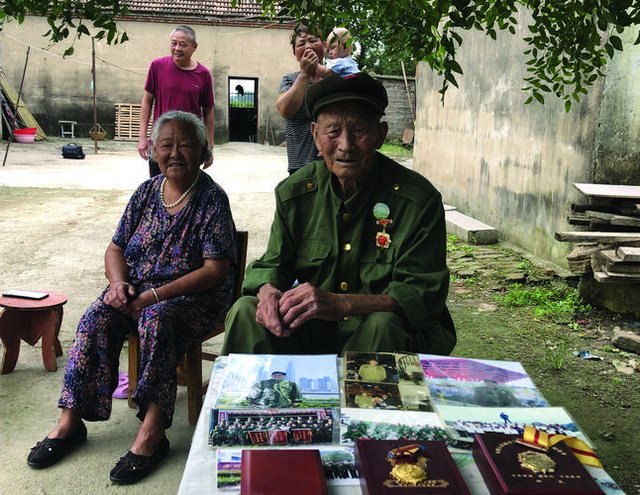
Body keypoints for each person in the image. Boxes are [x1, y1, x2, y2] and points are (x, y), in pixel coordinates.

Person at [27, 111, 237, 485]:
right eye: (166, 145)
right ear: (153, 150)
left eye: (185, 144)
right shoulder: (145, 193)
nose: (175, 153)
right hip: (139, 290)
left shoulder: (211, 199)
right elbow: (115, 248)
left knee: (158, 319)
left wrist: (155, 295)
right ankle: (71, 422)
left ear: (203, 151)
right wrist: (117, 284)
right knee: (97, 316)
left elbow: (214, 271)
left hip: (193, 296)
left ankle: (153, 433)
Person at [221, 72, 456, 356]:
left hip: (389, 335)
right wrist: (268, 292)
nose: (345, 145)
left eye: (359, 131)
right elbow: (273, 264)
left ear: (380, 135)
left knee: (382, 325)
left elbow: (420, 294)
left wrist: (342, 303)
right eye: (333, 131)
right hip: (318, 333)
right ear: (316, 137)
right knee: (247, 310)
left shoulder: (417, 201)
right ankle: (250, 399)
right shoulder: (296, 193)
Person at [138, 26, 215, 177]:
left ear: (194, 47)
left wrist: (209, 145)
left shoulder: (203, 74)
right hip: (161, 143)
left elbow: (208, 111)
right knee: (158, 189)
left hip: (190, 145)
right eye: (174, 43)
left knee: (187, 190)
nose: (177, 48)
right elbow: (147, 101)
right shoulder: (157, 67)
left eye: (183, 44)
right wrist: (142, 137)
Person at [277, 24, 330, 175]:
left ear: (324, 46)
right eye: (301, 44)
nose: (308, 47)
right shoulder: (289, 81)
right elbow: (285, 110)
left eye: (313, 41)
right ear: (295, 53)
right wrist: (305, 74)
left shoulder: (335, 79)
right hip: (300, 167)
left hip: (334, 165)